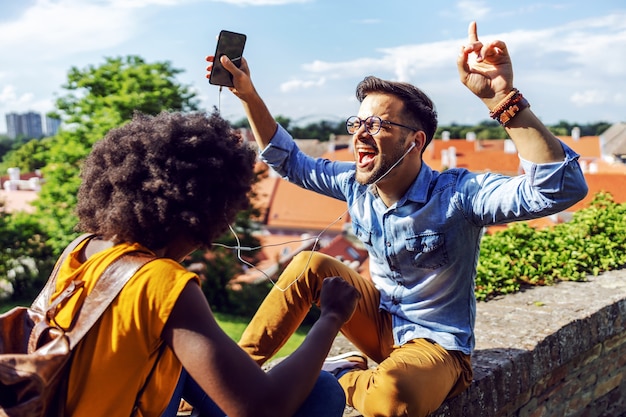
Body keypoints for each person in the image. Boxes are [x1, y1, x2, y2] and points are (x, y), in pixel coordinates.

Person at [206, 21, 588, 416]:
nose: (360, 134)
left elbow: (558, 189)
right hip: (378, 322)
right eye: (357, 123)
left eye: (377, 124)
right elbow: (289, 161)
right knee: (309, 263)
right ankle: (233, 377)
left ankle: (339, 376)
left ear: (414, 141)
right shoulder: (354, 183)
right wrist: (248, 95)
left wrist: (504, 98)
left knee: (393, 401)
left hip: (436, 346)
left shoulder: (457, 194)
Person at [51, 110, 360, 417]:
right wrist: (331, 317)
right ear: (206, 212)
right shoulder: (161, 281)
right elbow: (264, 408)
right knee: (322, 389)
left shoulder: (81, 249)